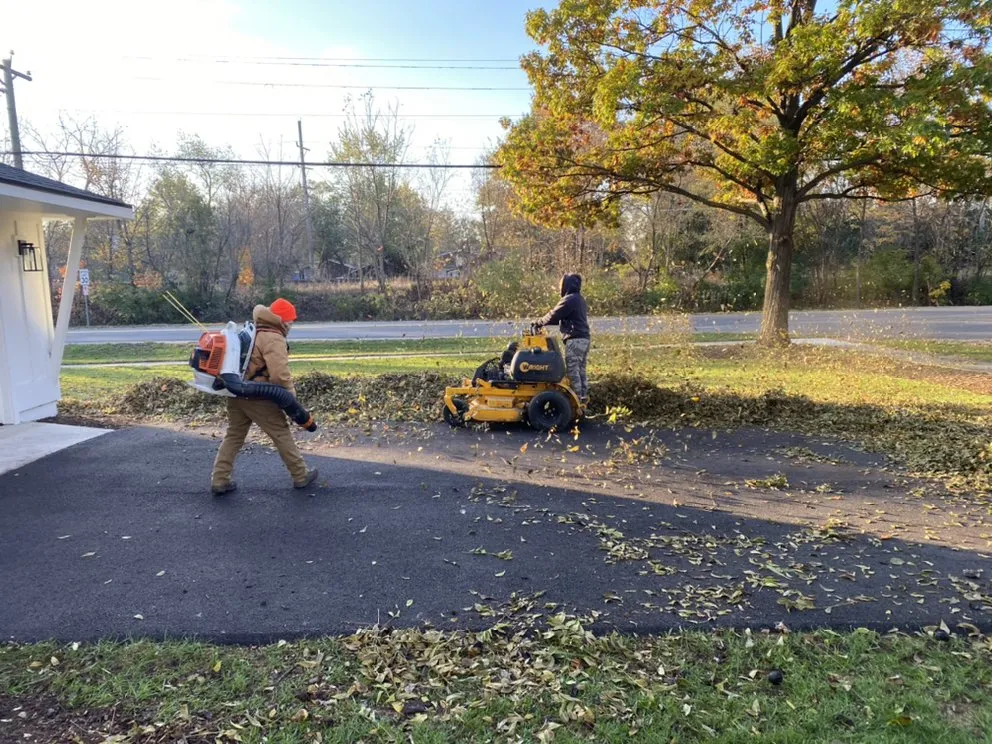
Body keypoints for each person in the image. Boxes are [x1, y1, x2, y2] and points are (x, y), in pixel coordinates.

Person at [210, 298, 319, 495]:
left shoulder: (253, 330)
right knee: (281, 433)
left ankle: (219, 479)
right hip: (259, 397)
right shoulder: (273, 338)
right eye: (290, 320)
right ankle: (301, 475)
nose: (292, 324)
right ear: (281, 320)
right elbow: (279, 375)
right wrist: (290, 400)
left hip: (236, 393)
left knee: (234, 435)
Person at [534, 273, 591, 402]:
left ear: (566, 285)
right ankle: (583, 396)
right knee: (580, 369)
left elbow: (554, 314)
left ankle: (576, 400)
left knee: (572, 370)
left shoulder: (569, 299)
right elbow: (559, 317)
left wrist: (538, 322)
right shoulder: (579, 299)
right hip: (584, 338)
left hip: (575, 339)